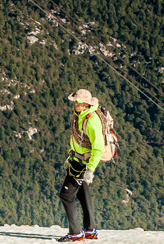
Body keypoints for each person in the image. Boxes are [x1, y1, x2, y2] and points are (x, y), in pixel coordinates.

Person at [58, 89, 105, 242]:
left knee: (66, 195)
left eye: (78, 102)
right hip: (77, 160)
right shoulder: (81, 115)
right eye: (75, 101)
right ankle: (90, 230)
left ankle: (75, 234)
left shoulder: (91, 120)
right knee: (82, 194)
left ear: (86, 104)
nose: (75, 104)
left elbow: (98, 148)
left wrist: (90, 169)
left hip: (82, 164)